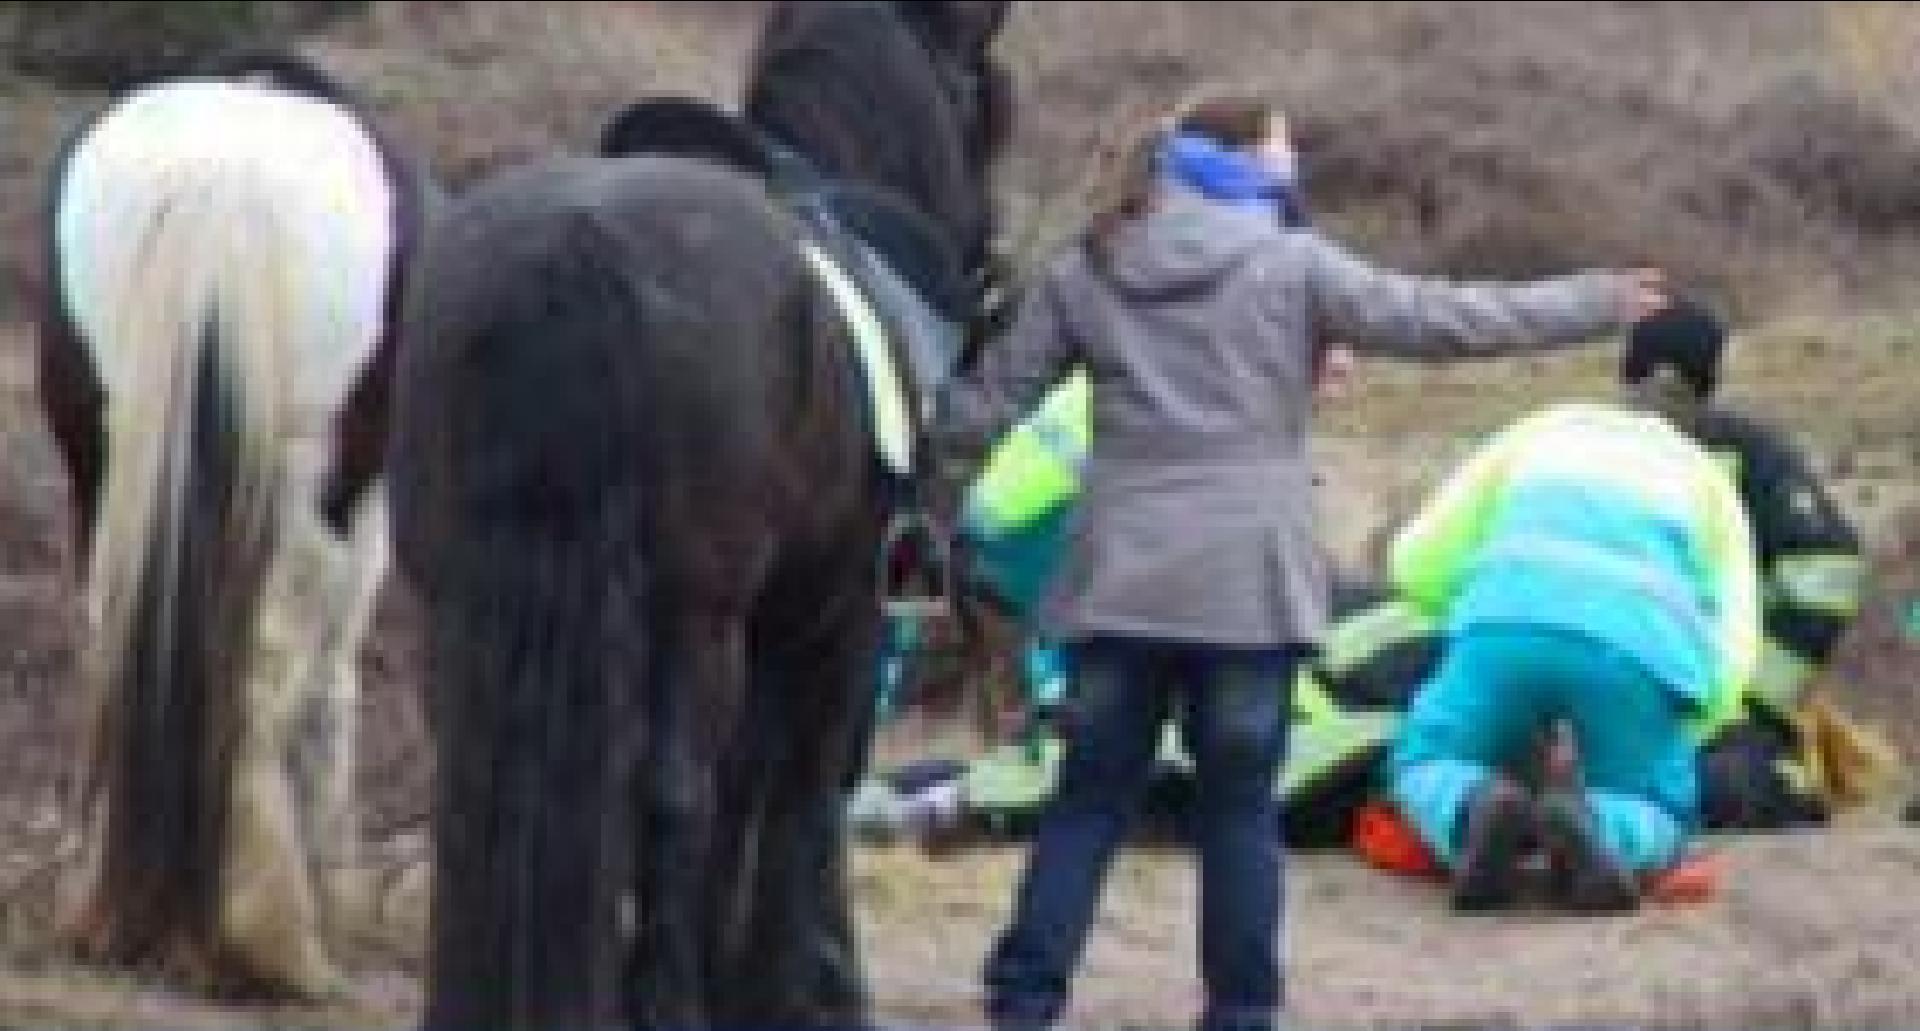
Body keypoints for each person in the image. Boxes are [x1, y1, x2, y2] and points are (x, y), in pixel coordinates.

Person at [936, 89, 1667, 1031]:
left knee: (1086, 806)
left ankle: (1023, 1003)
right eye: (1283, 148)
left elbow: (984, 408)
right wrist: (1595, 301)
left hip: (1121, 587)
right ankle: (1242, 1014)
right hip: (1250, 591)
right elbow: (1445, 320)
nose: (1295, 166)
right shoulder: (1292, 266)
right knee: (1239, 813)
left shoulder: (1093, 263)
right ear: (1241, 158)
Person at [1386, 357, 1763, 914]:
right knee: (1650, 800)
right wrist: (1692, 719)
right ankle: (1601, 829)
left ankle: (1475, 807)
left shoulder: (1537, 432)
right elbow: (1736, 638)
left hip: (1504, 623)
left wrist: (1464, 619)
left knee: (1427, 761)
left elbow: (1412, 560)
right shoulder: (1706, 480)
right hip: (1633, 650)